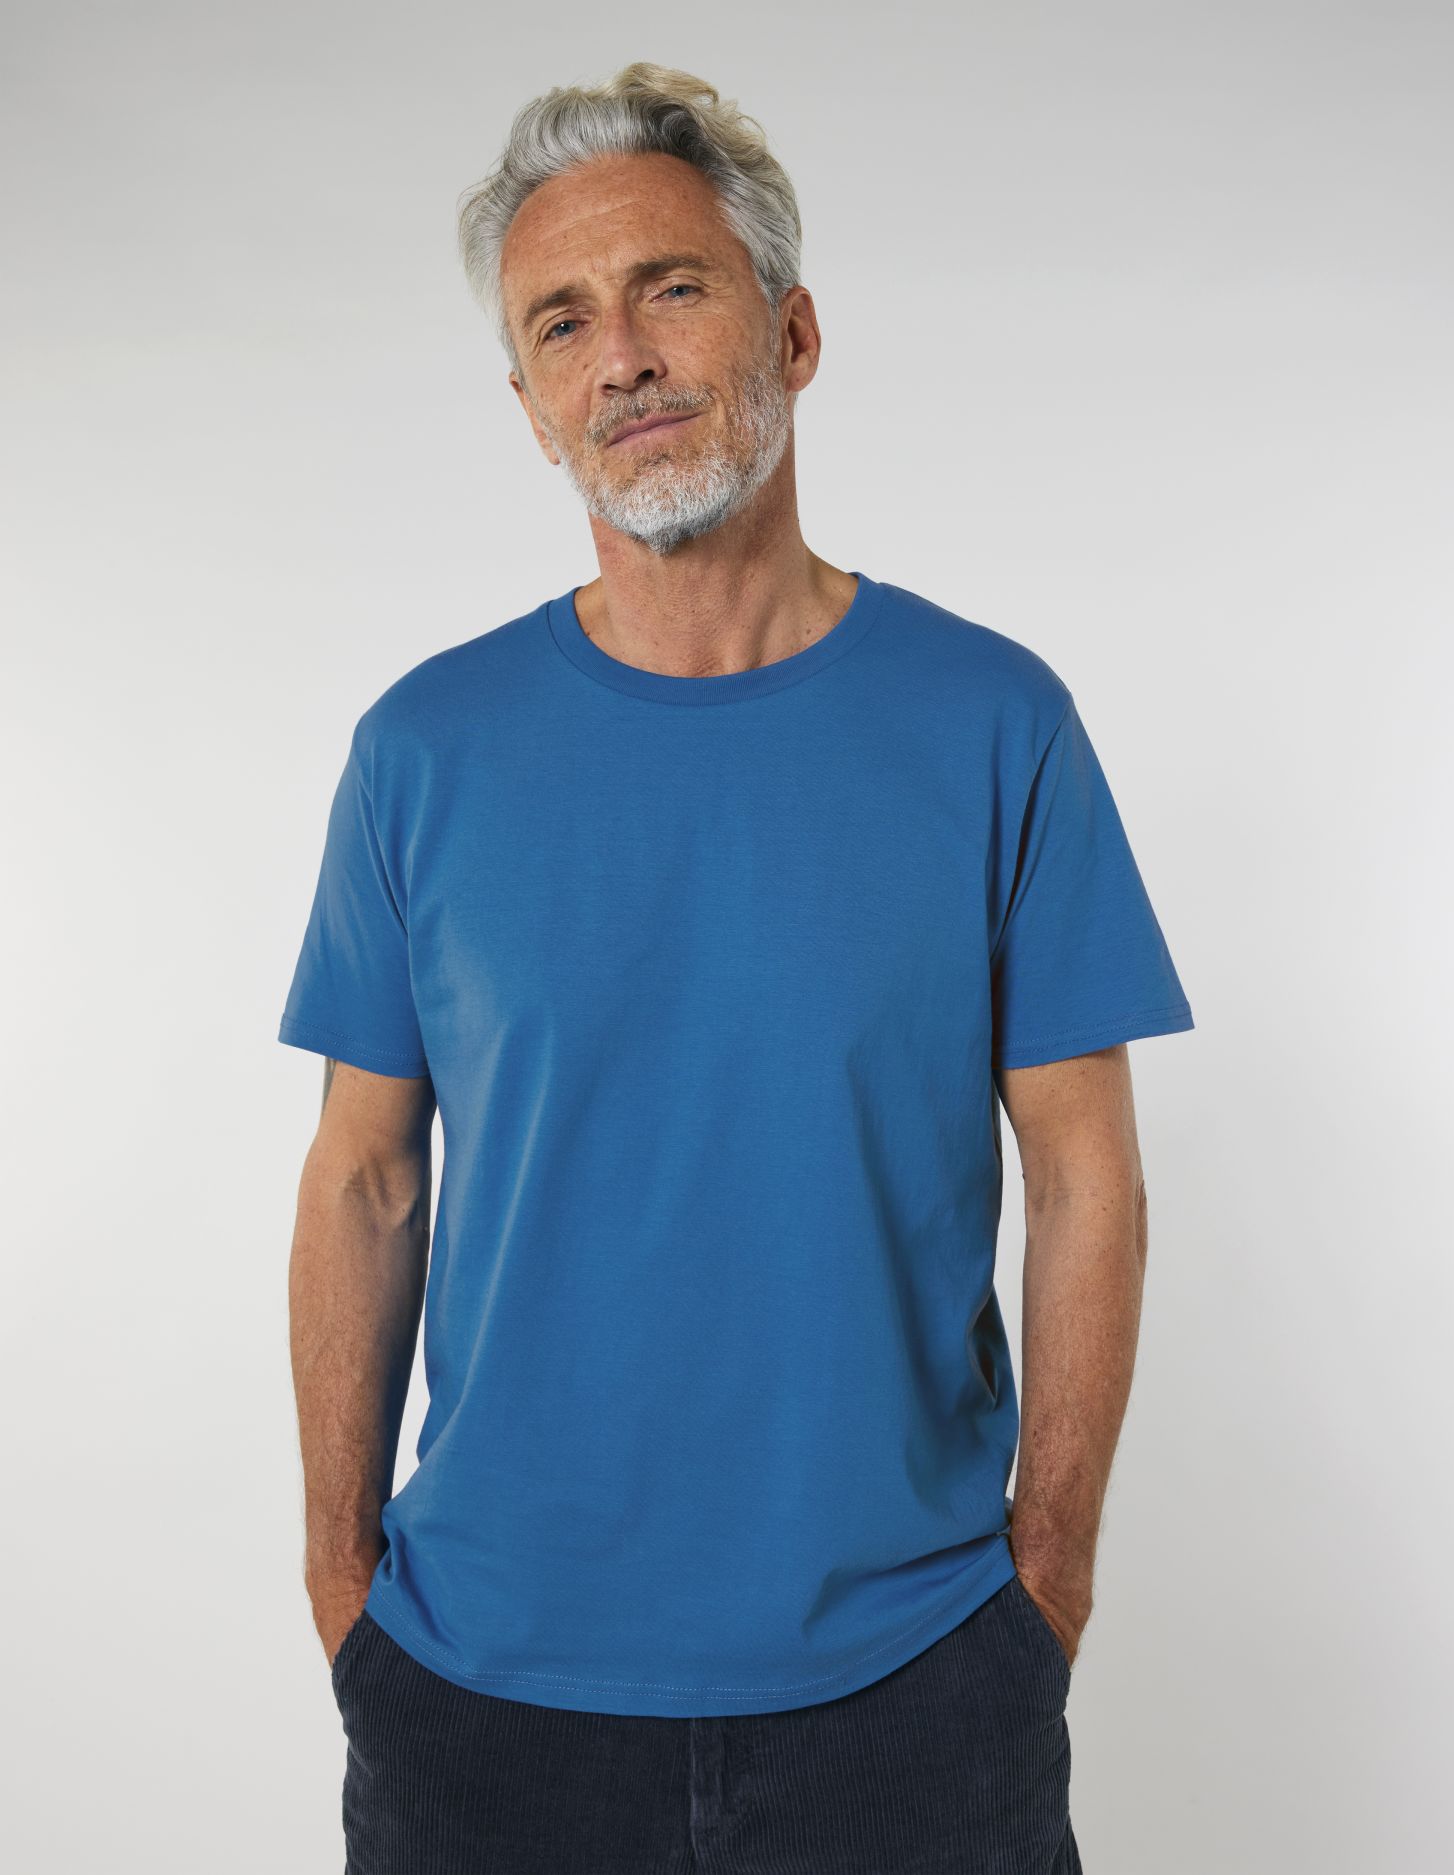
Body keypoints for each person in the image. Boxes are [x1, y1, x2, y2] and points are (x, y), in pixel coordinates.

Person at [278, 60, 1195, 1875]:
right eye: (562, 322)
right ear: (533, 407)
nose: (620, 356)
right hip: (480, 1703)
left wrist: (1048, 1584)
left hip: (916, 1692)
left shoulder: (993, 723)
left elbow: (1085, 1170)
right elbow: (366, 1177)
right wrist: (339, 1590)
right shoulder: (423, 752)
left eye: (670, 288)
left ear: (792, 331)